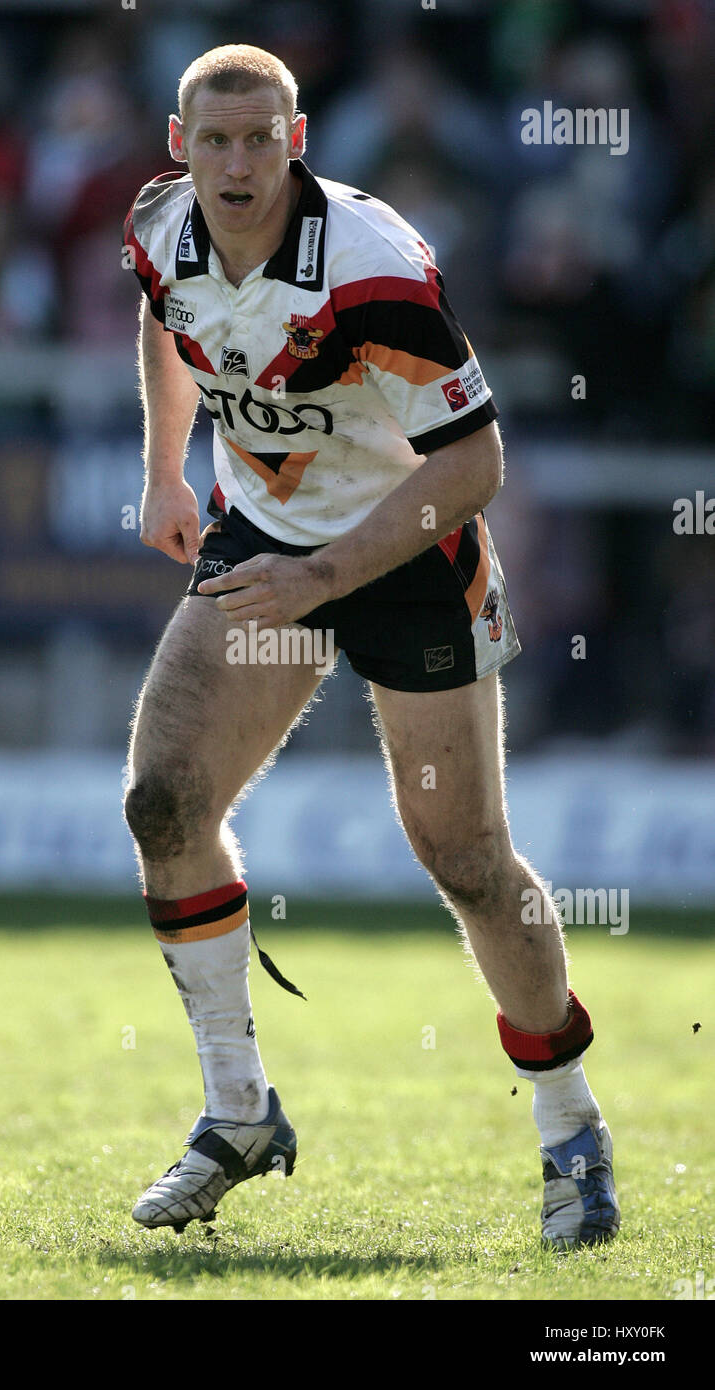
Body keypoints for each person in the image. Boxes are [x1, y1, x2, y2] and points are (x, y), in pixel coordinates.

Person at [121, 43, 618, 1247]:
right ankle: (236, 1112)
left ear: (296, 142)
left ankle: (570, 1127)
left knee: (465, 863)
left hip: (406, 557)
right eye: (213, 140)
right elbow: (165, 321)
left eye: (260, 140)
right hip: (262, 536)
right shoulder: (156, 229)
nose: (235, 164)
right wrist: (162, 467)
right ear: (178, 145)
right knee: (161, 805)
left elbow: (475, 463)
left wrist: (325, 575)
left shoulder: (369, 270)